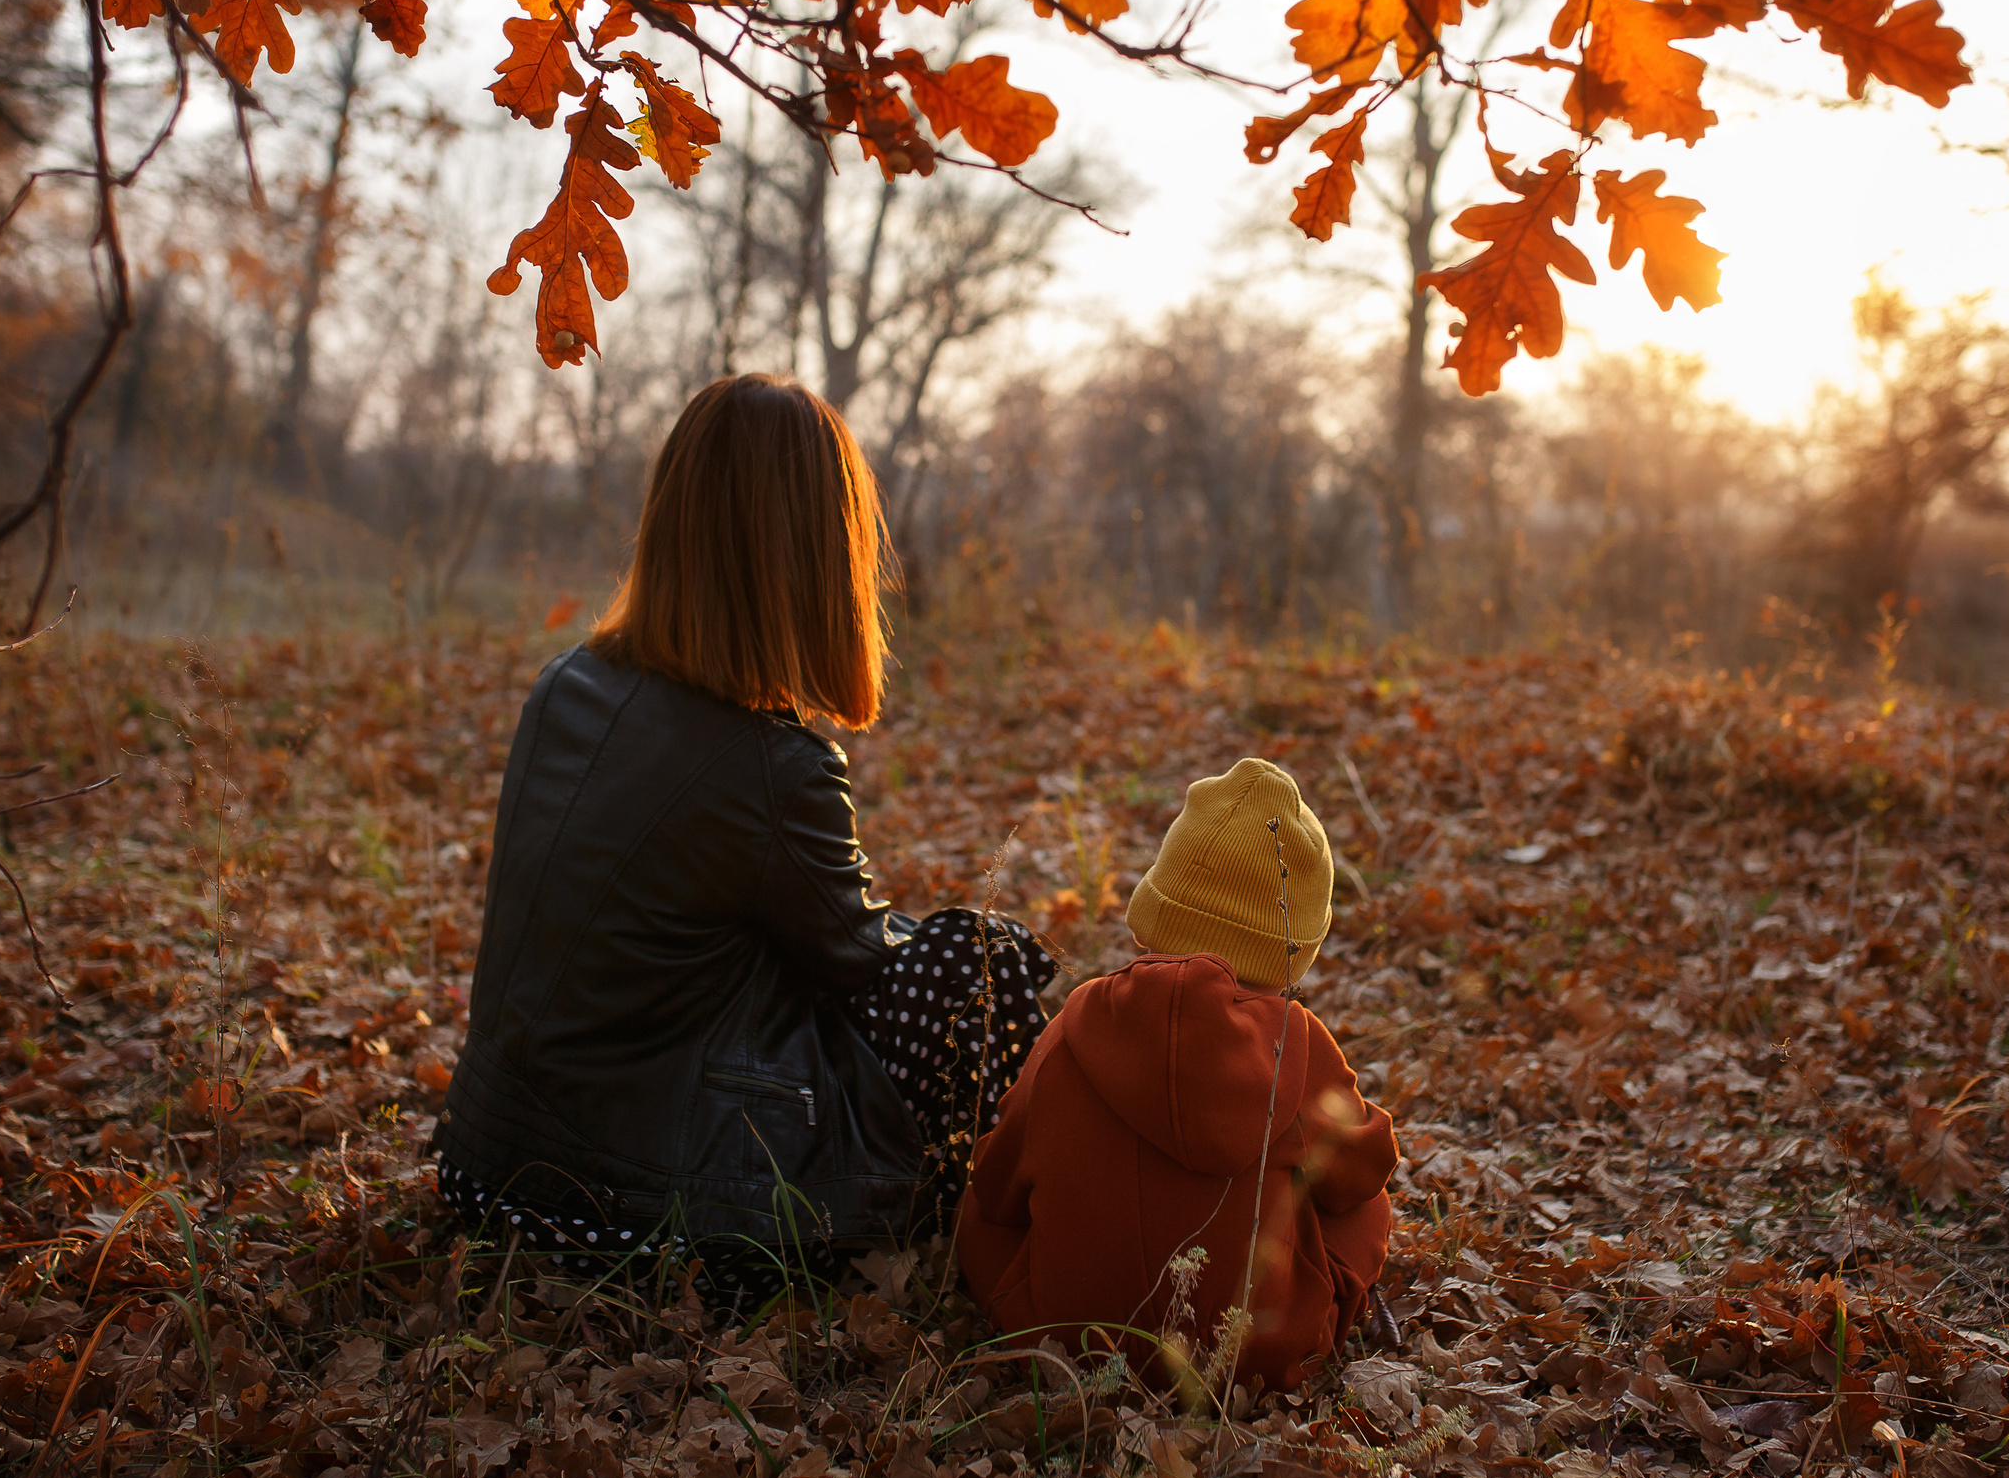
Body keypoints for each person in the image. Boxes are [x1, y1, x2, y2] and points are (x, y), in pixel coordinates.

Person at [430, 374, 1053, 1302]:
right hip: (627, 1215)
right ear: (811, 553)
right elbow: (863, 962)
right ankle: (1024, 1233)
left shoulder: (564, 683)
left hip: (486, 1173)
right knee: (980, 973)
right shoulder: (773, 766)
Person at [955, 758, 1397, 1393]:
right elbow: (1365, 1172)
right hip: (1252, 1359)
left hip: (1064, 1346)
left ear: (1157, 904)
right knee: (1364, 1206)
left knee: (975, 1207)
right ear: (1295, 943)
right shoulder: (1297, 1046)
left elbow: (998, 1190)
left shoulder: (1073, 1027)